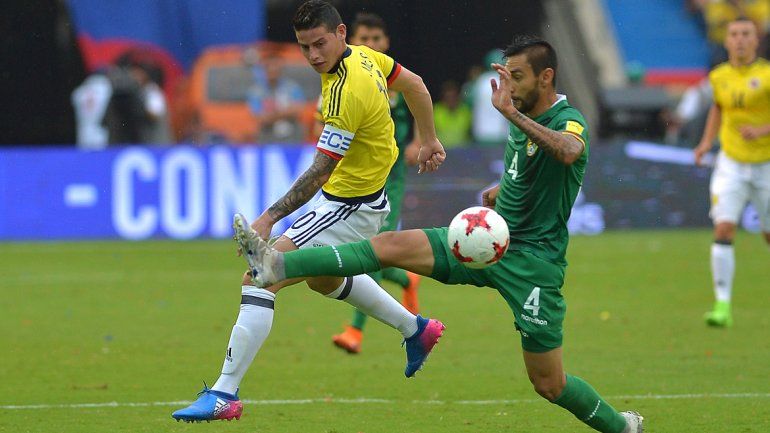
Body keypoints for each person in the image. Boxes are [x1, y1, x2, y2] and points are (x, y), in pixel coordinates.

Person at [241, 35, 644, 433]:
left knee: (549, 384)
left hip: (533, 265)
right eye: (504, 75)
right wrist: (502, 189)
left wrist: (511, 115)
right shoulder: (520, 110)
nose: (508, 87)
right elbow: (532, 167)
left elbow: (570, 151)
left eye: (517, 76)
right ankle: (276, 265)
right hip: (485, 241)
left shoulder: (564, 119)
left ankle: (622, 427)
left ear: (546, 77)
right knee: (389, 246)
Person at [172, 0, 447, 423]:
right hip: (353, 198)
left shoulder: (346, 90)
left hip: (347, 204)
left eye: (320, 44)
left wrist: (267, 218)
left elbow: (321, 169)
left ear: (340, 34)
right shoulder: (364, 57)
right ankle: (416, 329)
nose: (314, 55)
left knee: (261, 276)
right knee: (324, 280)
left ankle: (224, 394)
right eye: (304, 47)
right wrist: (428, 138)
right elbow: (415, 84)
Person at [318, 11, 423, 355]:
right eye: (365, 39)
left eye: (377, 40)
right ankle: (407, 279)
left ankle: (355, 330)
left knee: (371, 253)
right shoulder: (347, 83)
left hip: (387, 181)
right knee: (365, 254)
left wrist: (419, 141)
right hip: (354, 182)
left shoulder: (391, 78)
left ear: (386, 43)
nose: (371, 45)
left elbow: (417, 97)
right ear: (351, 40)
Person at [694, 17, 770, 327]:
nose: (739, 40)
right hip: (731, 164)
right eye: (734, 34)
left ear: (756, 40)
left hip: (765, 164)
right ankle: (722, 305)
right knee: (724, 228)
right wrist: (705, 142)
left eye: (745, 34)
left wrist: (763, 129)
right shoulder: (719, 76)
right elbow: (719, 108)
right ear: (726, 41)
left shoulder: (766, 74)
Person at [246, 50, 307, 143]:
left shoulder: (292, 87)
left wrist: (273, 114)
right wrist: (285, 112)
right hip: (267, 136)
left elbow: (298, 110)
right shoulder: (256, 91)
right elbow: (260, 118)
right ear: (263, 69)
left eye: (275, 67)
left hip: (292, 134)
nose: (272, 69)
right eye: (269, 67)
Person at [433, 80, 472, 148]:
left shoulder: (465, 111)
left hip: (462, 150)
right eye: (448, 97)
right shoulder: (436, 111)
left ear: (458, 97)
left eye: (453, 97)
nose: (451, 100)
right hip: (441, 151)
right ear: (443, 97)